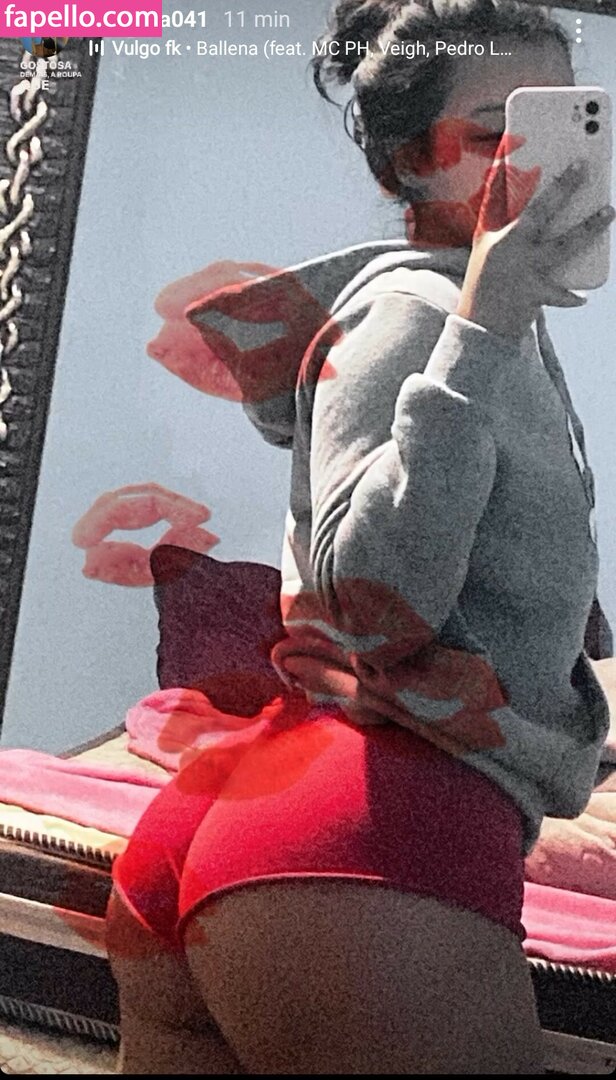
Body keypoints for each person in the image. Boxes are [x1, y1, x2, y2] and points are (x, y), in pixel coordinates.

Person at [106, 0, 616, 1073]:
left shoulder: (475, 322)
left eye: (566, 124)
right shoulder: (417, 315)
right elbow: (369, 603)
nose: (536, 167)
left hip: (304, 826)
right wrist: (482, 326)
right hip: (365, 833)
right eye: (494, 133)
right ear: (404, 164)